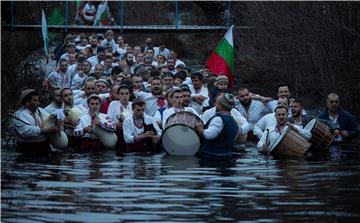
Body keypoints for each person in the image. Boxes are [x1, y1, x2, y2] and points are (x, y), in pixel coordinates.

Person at [195, 94, 239, 158]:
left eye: (217, 103)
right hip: (226, 156)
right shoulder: (233, 120)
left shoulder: (219, 119)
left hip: (211, 157)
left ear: (221, 105)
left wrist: (201, 129)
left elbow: (209, 135)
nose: (215, 105)